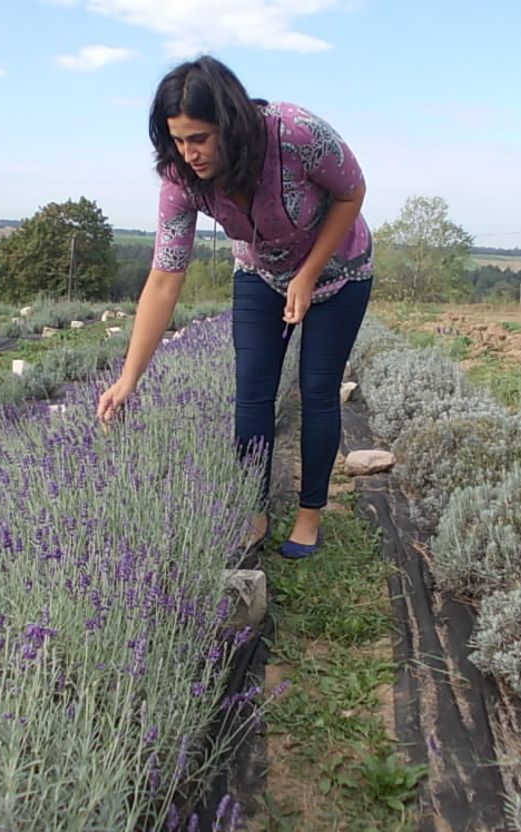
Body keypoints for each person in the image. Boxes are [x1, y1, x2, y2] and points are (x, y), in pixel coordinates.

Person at [96, 55, 373, 559]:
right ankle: (253, 510)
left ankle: (309, 516)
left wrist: (308, 275)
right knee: (251, 392)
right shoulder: (181, 179)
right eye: (177, 140)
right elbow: (164, 277)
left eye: (198, 138)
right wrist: (129, 377)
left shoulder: (296, 133)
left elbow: (352, 192)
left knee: (316, 388)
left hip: (339, 272)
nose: (189, 153)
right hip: (261, 272)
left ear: (230, 124)